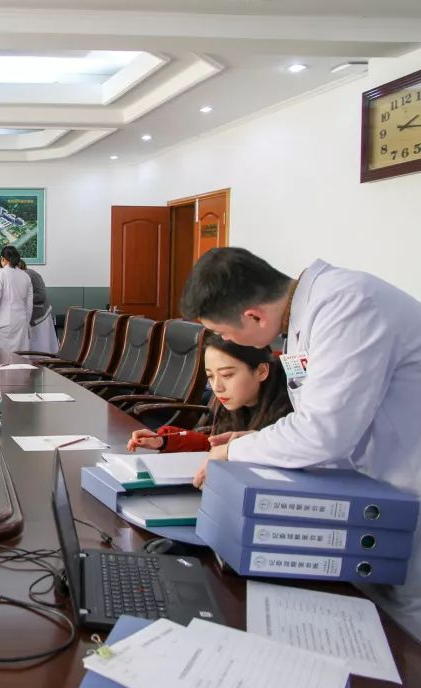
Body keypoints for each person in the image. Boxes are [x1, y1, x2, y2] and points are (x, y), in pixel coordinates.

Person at [181, 246, 421, 638]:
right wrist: (257, 439)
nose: (224, 339)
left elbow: (323, 432)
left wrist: (233, 451)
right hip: (373, 488)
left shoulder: (349, 306)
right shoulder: (302, 320)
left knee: (406, 629)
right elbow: (316, 418)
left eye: (224, 332)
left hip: (407, 484)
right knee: (371, 613)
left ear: (253, 316)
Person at [127, 334, 292, 453]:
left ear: (262, 371)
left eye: (227, 375)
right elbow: (215, 444)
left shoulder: (293, 421)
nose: (217, 387)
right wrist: (163, 441)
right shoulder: (236, 403)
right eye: (210, 376)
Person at [0, 245, 33, 353]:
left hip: (4, 323)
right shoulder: (26, 276)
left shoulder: (0, 274)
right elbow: (29, 305)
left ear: (2, 258)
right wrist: (26, 323)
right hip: (21, 323)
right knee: (21, 358)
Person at [19, 259, 59, 354]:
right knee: (33, 344)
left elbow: (41, 296)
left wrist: (23, 298)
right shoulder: (18, 276)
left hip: (40, 316)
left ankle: (43, 359)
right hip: (30, 315)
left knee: (41, 344)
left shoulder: (32, 274)